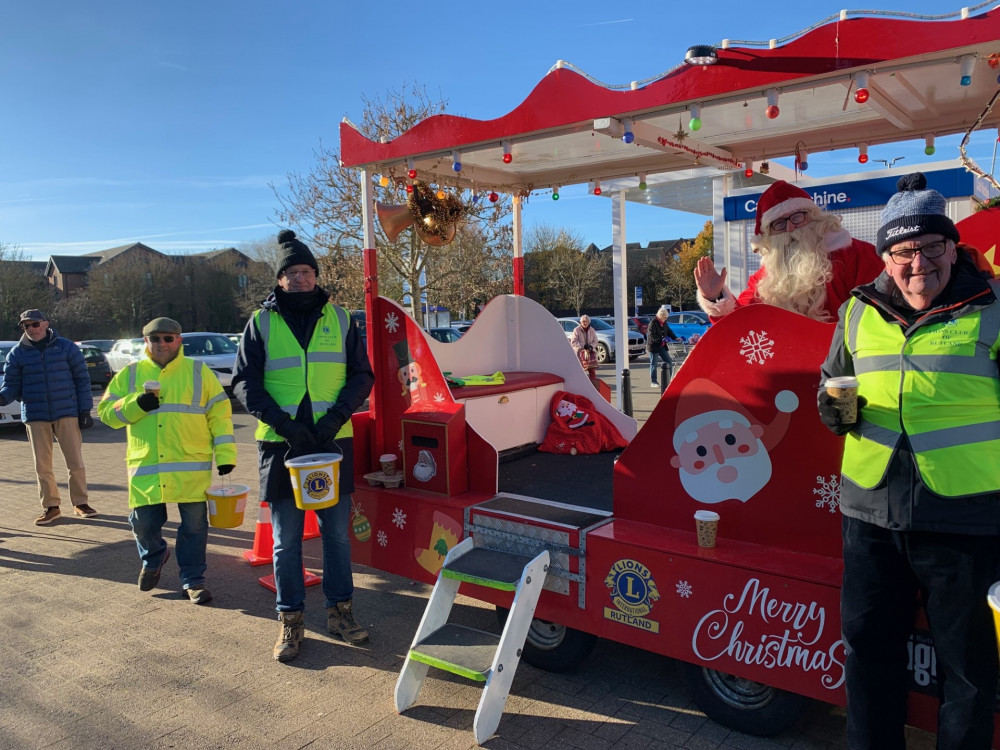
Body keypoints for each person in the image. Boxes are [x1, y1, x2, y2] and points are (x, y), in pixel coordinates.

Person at [817, 173, 1000, 750]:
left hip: (966, 518)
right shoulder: (857, 311)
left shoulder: (992, 308)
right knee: (868, 654)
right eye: (903, 251)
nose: (918, 264)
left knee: (968, 672)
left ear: (952, 246)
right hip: (869, 515)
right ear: (886, 258)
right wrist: (835, 408)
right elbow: (834, 381)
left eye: (931, 247)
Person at [232, 229, 374, 662]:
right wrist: (284, 424)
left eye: (307, 271)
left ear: (316, 276)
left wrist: (336, 417)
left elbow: (362, 376)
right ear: (279, 280)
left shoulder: (342, 319)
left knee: (336, 537)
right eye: (291, 273)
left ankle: (340, 612)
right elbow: (244, 383)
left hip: (334, 441)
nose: (300, 279)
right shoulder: (260, 323)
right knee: (285, 541)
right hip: (281, 445)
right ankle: (291, 621)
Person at [98, 317, 236, 605]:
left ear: (179, 341)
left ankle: (193, 580)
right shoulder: (130, 374)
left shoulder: (199, 372)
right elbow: (106, 414)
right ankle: (154, 556)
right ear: (145, 341)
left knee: (195, 526)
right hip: (147, 465)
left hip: (191, 466)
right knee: (143, 523)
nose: (162, 343)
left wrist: (226, 455)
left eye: (168, 338)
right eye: (156, 338)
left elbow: (220, 416)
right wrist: (136, 404)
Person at [695, 180, 884, 322]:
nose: (790, 228)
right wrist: (715, 297)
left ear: (814, 218)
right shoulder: (765, 281)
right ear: (768, 236)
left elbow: (882, 314)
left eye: (797, 217)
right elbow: (744, 324)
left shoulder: (859, 255)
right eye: (779, 224)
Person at [0, 309, 96, 525]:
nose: (30, 329)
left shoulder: (66, 347)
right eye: (26, 326)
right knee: (42, 466)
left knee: (76, 462)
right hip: (35, 415)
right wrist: (2, 398)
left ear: (46, 324)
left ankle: (81, 503)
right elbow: (11, 385)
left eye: (34, 324)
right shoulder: (17, 353)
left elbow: (82, 378)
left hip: (66, 411)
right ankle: (51, 507)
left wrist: (85, 410)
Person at [646, 307, 679, 388]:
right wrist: (661, 339)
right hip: (654, 346)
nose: (666, 318)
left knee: (669, 361)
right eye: (665, 317)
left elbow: (669, 331)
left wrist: (675, 337)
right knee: (654, 363)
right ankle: (653, 381)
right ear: (661, 316)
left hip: (662, 346)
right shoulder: (653, 323)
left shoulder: (664, 322)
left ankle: (669, 379)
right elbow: (652, 336)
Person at [570, 314, 599, 380]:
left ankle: (593, 385)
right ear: (580, 322)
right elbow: (573, 342)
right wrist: (584, 346)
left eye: (586, 321)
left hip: (590, 354)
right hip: (580, 354)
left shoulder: (592, 330)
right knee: (581, 372)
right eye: (583, 321)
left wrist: (591, 346)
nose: (585, 323)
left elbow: (596, 341)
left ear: (589, 322)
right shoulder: (576, 330)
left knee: (592, 371)